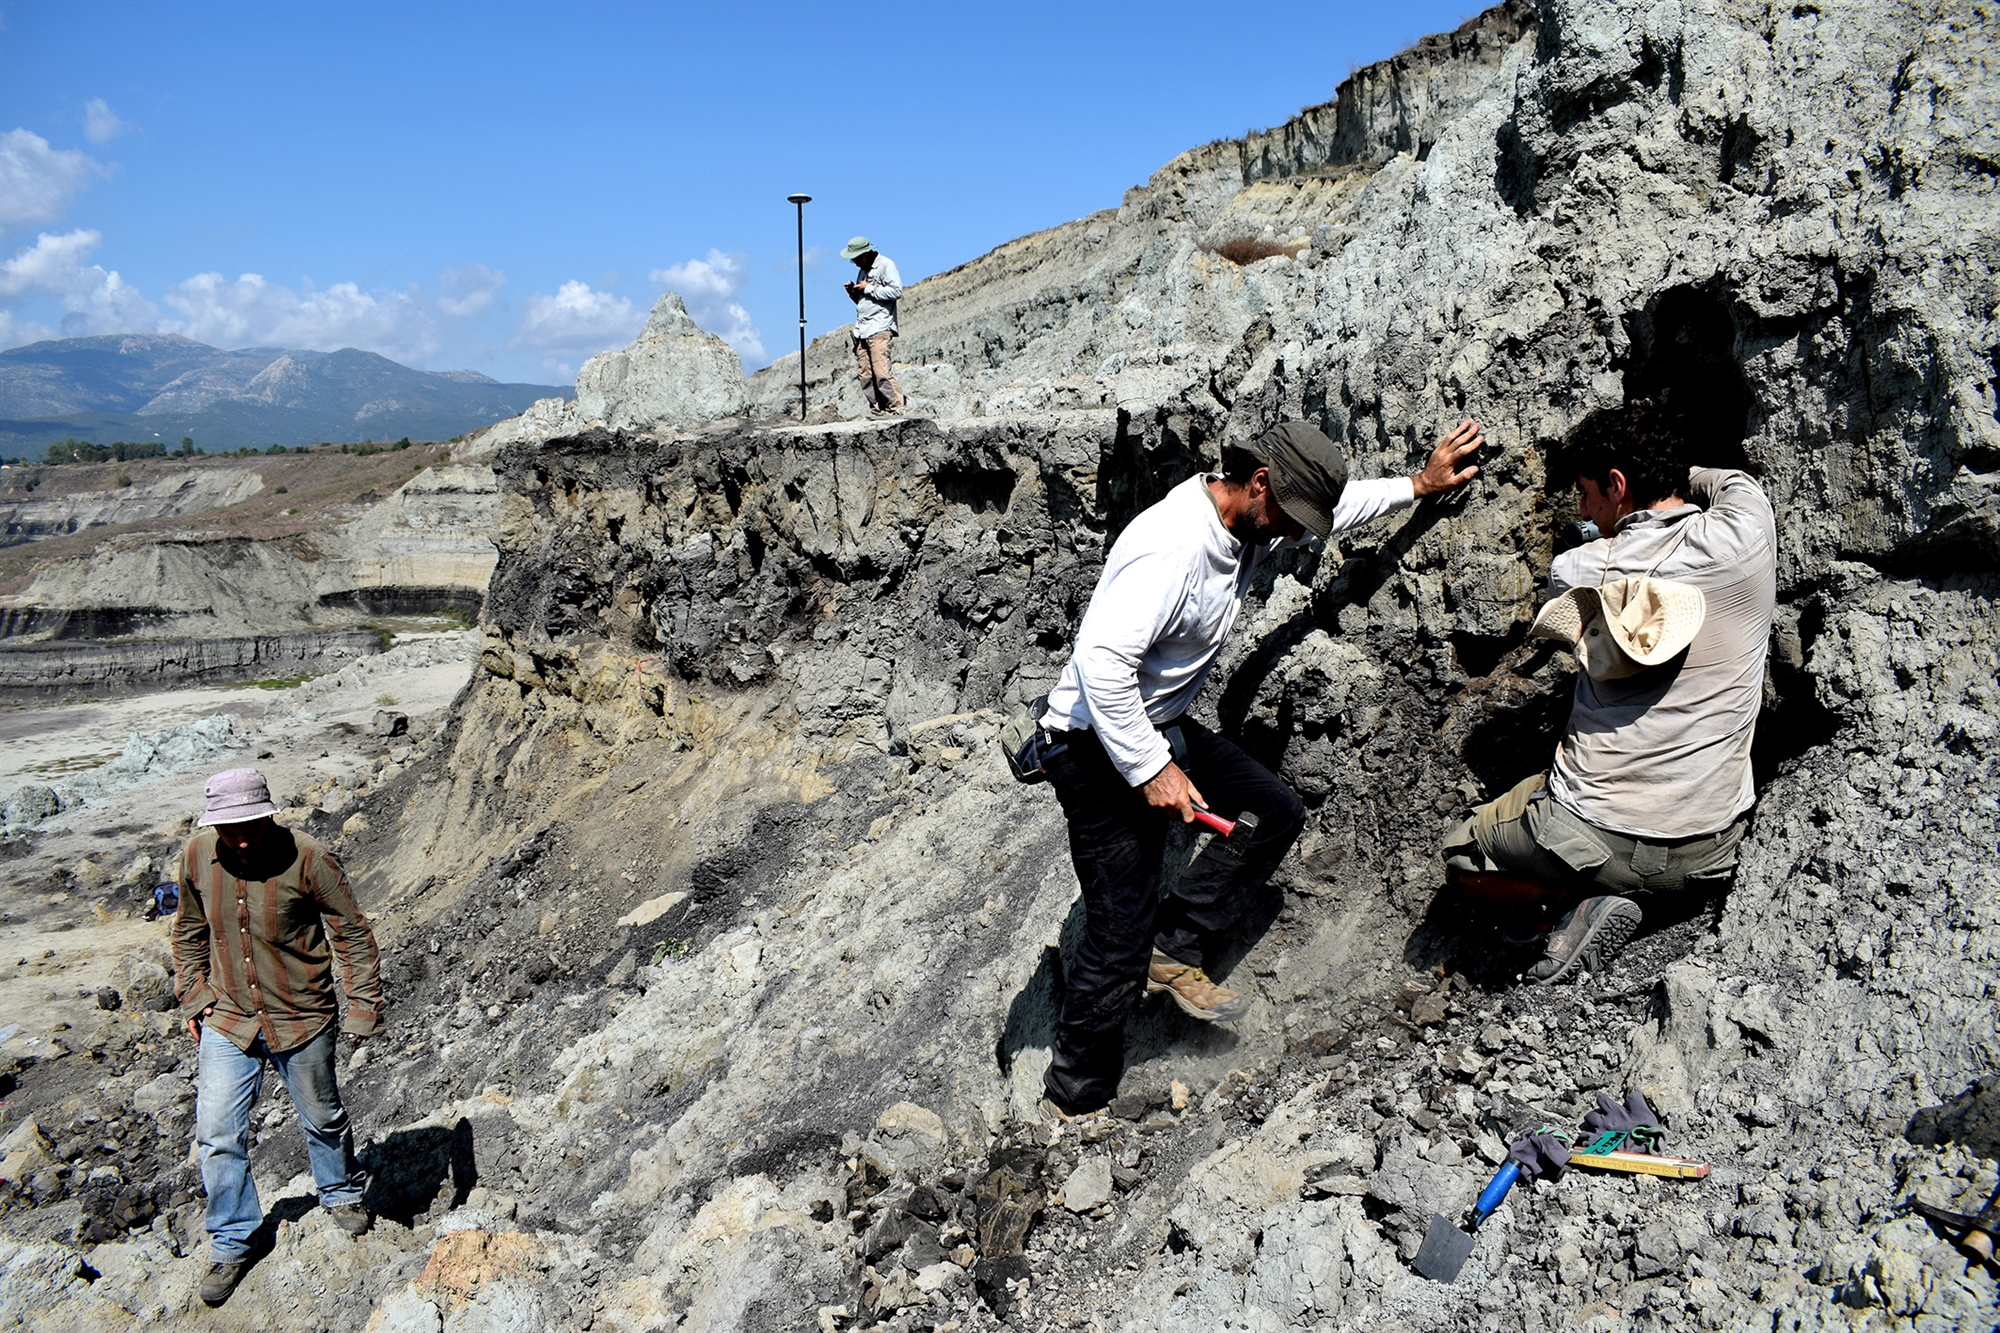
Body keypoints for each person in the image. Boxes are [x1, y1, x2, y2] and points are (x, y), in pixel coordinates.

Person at [1035, 417, 1485, 1118]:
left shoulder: (1253, 517)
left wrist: (1419, 486)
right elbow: (1100, 663)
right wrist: (1153, 768)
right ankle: (1074, 1097)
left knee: (1271, 810)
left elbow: (1339, 505)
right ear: (1258, 480)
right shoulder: (1171, 544)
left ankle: (1175, 943)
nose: (1300, 536)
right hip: (1092, 743)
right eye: (1290, 516)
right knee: (1115, 932)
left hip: (1155, 723)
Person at [1441, 399, 1776, 984]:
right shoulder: (1747, 531)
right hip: (1711, 853)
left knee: (1463, 853)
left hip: (1592, 841)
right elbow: (1730, 483)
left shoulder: (1580, 569)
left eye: (1587, 492)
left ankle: (1562, 909)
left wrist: (1602, 532)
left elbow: (1573, 581)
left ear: (1617, 485)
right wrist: (1676, 475)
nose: (1582, 507)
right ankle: (1650, 901)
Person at [171, 767, 385, 1307]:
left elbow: (352, 932)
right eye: (229, 826)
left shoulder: (309, 857)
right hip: (228, 1017)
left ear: (270, 813)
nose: (240, 835)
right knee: (217, 1133)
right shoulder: (197, 856)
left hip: (301, 1016)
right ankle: (232, 1241)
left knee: (323, 1116)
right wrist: (194, 996)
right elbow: (189, 930)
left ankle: (339, 1193)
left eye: (250, 823)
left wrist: (363, 1006)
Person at [841, 236, 903, 414]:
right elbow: (865, 302)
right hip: (862, 329)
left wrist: (867, 288)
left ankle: (895, 407)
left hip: (879, 326)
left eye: (856, 258)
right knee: (865, 374)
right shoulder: (863, 270)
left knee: (881, 371)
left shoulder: (885, 265)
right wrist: (854, 293)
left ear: (866, 253)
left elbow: (896, 291)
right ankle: (876, 408)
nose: (854, 262)